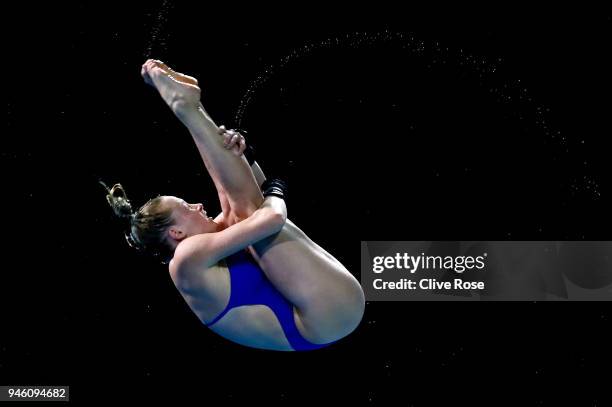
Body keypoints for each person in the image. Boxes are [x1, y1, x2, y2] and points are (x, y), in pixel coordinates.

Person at [102, 59, 365, 351]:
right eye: (187, 208)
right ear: (175, 233)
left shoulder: (207, 247)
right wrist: (275, 190)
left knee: (233, 209)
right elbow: (271, 218)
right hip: (324, 317)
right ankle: (187, 108)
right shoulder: (185, 260)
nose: (198, 205)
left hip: (330, 311)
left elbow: (245, 197)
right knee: (242, 213)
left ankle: (193, 108)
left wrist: (245, 156)